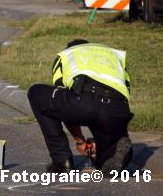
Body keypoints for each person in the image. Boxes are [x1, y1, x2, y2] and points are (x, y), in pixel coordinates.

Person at [27, 39, 133, 174]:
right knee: (105, 161)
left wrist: (80, 141)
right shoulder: (116, 56)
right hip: (116, 109)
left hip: (85, 100)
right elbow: (124, 96)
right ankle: (116, 152)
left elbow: (62, 103)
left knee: (36, 93)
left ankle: (62, 161)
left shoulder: (67, 55)